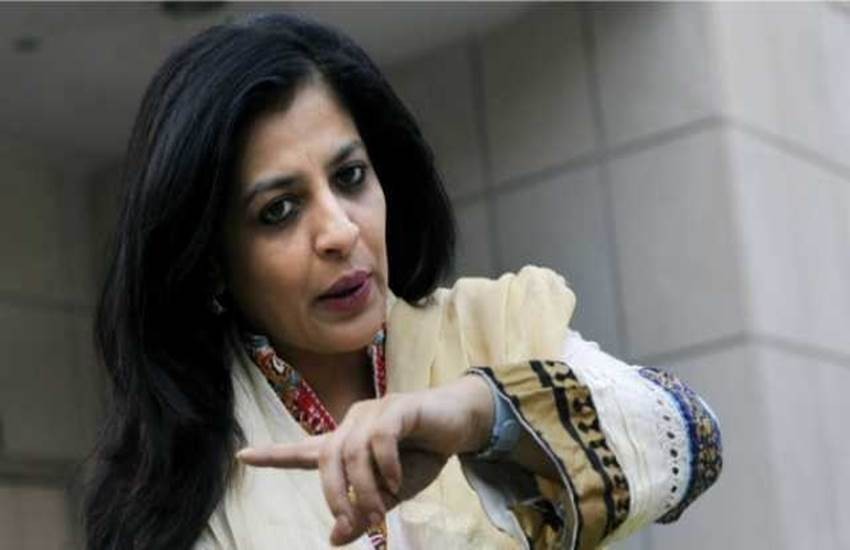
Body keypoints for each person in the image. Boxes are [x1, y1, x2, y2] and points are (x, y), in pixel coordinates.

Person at [82, 12, 722, 550]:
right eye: (279, 210)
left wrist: (479, 416)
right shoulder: (180, 480)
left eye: (350, 177)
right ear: (212, 259)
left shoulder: (494, 329)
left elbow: (694, 440)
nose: (339, 230)